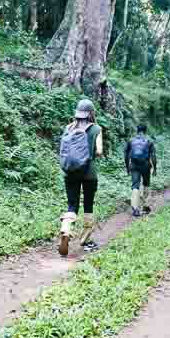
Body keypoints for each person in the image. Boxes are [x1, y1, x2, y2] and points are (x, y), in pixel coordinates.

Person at [59, 98, 104, 255]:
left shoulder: (68, 127)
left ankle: (65, 229)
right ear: (91, 113)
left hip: (70, 171)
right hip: (89, 173)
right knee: (88, 205)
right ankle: (85, 240)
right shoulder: (96, 128)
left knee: (72, 205)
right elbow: (99, 151)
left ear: (78, 113)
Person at [124, 124, 157, 217]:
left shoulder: (131, 140)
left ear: (137, 131)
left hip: (134, 165)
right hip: (146, 166)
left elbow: (126, 156)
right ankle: (146, 206)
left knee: (135, 186)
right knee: (146, 184)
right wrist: (155, 168)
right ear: (145, 131)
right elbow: (153, 156)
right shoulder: (149, 141)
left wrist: (127, 167)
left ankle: (135, 209)